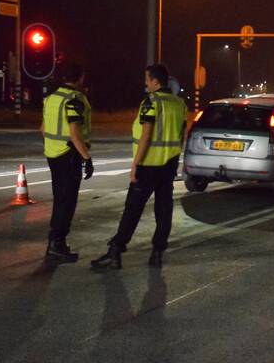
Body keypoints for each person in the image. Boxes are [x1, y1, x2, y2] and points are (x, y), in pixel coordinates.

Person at [91, 64, 188, 270]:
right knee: (164, 209)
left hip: (148, 165)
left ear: (155, 81)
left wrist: (135, 164)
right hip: (168, 165)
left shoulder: (151, 102)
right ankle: (157, 253)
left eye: (147, 79)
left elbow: (146, 134)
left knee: (132, 210)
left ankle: (115, 251)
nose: (145, 83)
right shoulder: (179, 104)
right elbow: (181, 134)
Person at [40, 62, 93, 263]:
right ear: (80, 78)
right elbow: (74, 132)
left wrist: (54, 144)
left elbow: (43, 130)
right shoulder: (75, 99)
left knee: (59, 198)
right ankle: (56, 244)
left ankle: (55, 242)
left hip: (52, 154)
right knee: (67, 202)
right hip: (69, 155)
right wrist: (87, 158)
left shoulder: (52, 98)